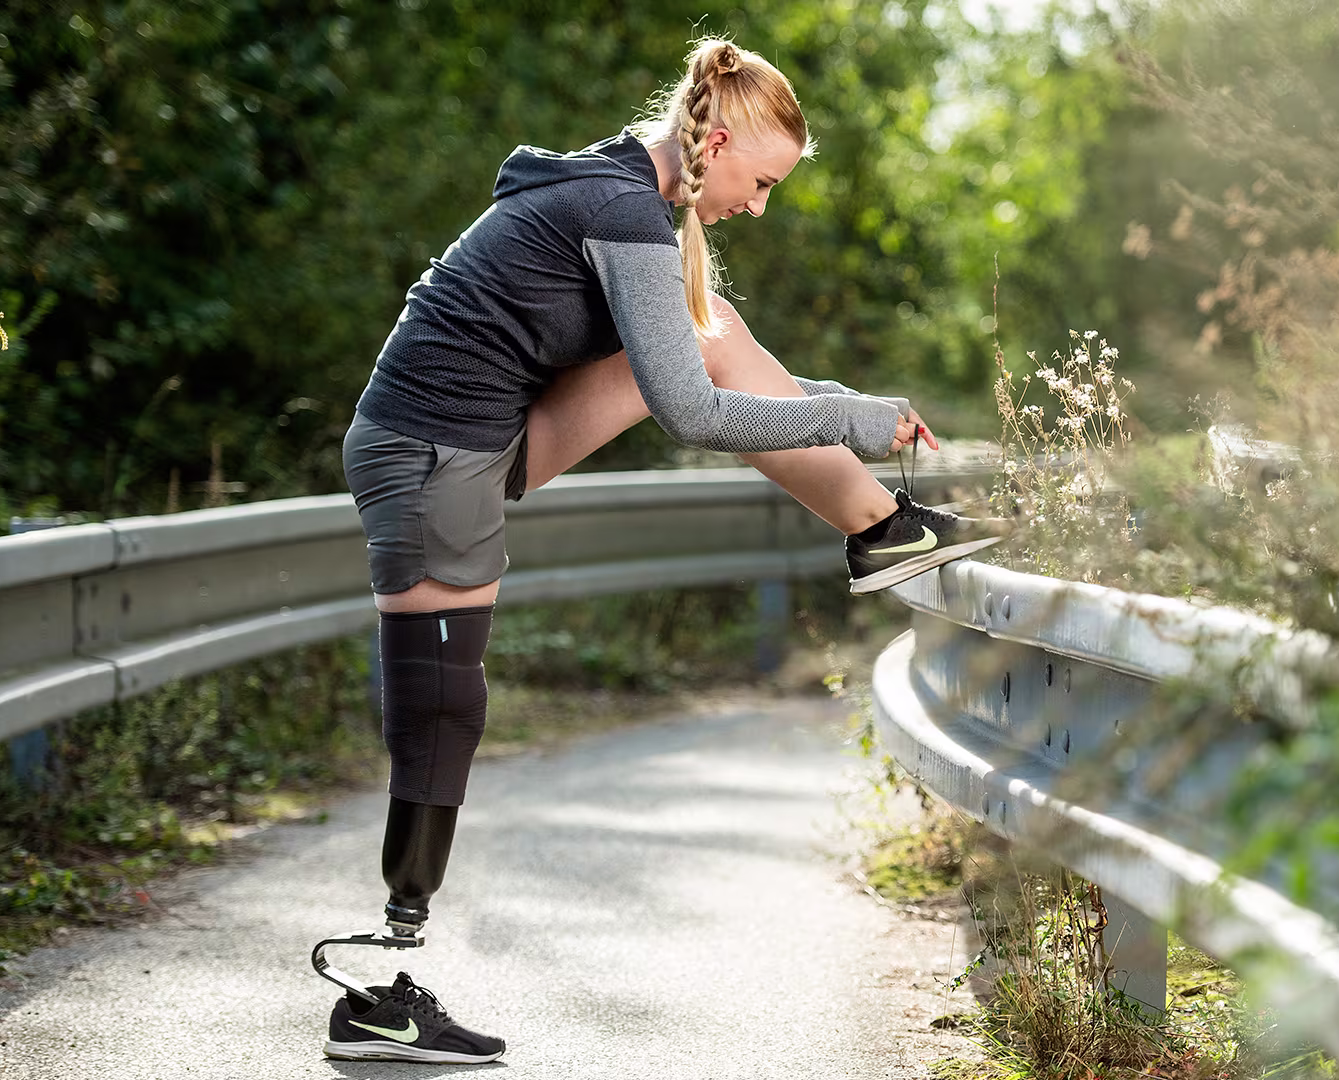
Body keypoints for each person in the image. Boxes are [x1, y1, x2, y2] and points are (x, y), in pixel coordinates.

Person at [317, 37, 1011, 1064]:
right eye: (761, 183)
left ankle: (880, 529)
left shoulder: (629, 199)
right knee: (442, 713)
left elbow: (695, 369)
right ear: (716, 140)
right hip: (430, 457)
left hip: (479, 441)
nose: (759, 206)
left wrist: (844, 413)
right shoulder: (619, 207)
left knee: (711, 322)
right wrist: (852, 414)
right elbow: (691, 413)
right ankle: (379, 986)